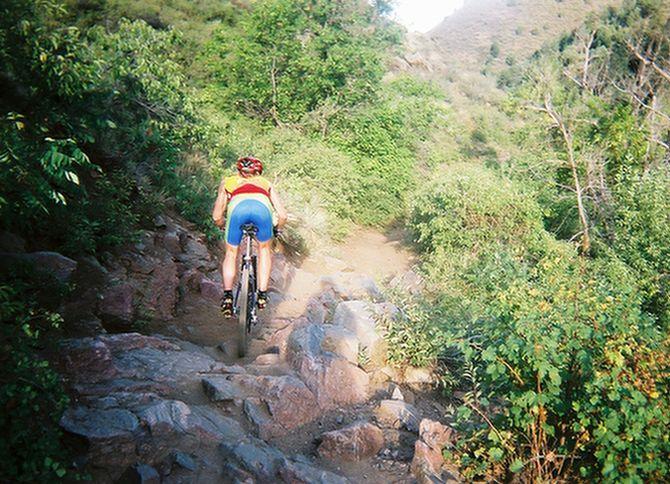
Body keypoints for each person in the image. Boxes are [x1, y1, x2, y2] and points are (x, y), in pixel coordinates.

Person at [212, 156, 287, 317]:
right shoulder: (266, 183)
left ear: (239, 171)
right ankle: (262, 294)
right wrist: (277, 230)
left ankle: (227, 297)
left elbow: (216, 216)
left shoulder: (228, 182)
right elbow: (282, 215)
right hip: (262, 212)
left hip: (237, 211)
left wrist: (222, 225)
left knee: (231, 253)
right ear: (258, 172)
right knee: (264, 250)